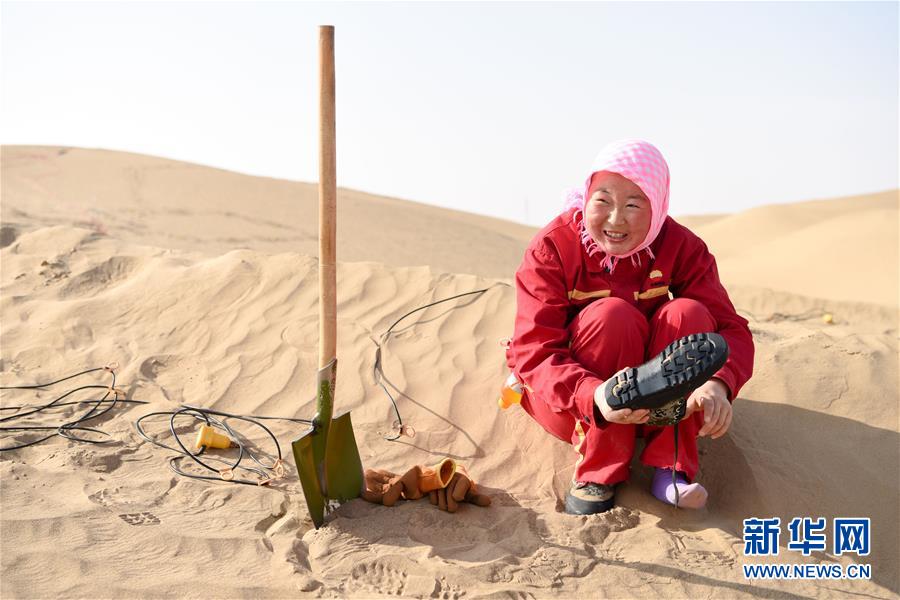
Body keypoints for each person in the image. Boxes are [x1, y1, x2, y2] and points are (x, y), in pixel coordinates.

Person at [506, 139, 754, 514]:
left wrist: (718, 382)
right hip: (573, 403)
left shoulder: (681, 246)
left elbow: (731, 329)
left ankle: (672, 467)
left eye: (634, 205)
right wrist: (596, 396)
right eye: (602, 200)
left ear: (658, 206)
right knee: (612, 316)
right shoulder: (552, 247)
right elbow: (533, 349)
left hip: (657, 409)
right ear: (586, 195)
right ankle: (597, 472)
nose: (615, 219)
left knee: (688, 313)